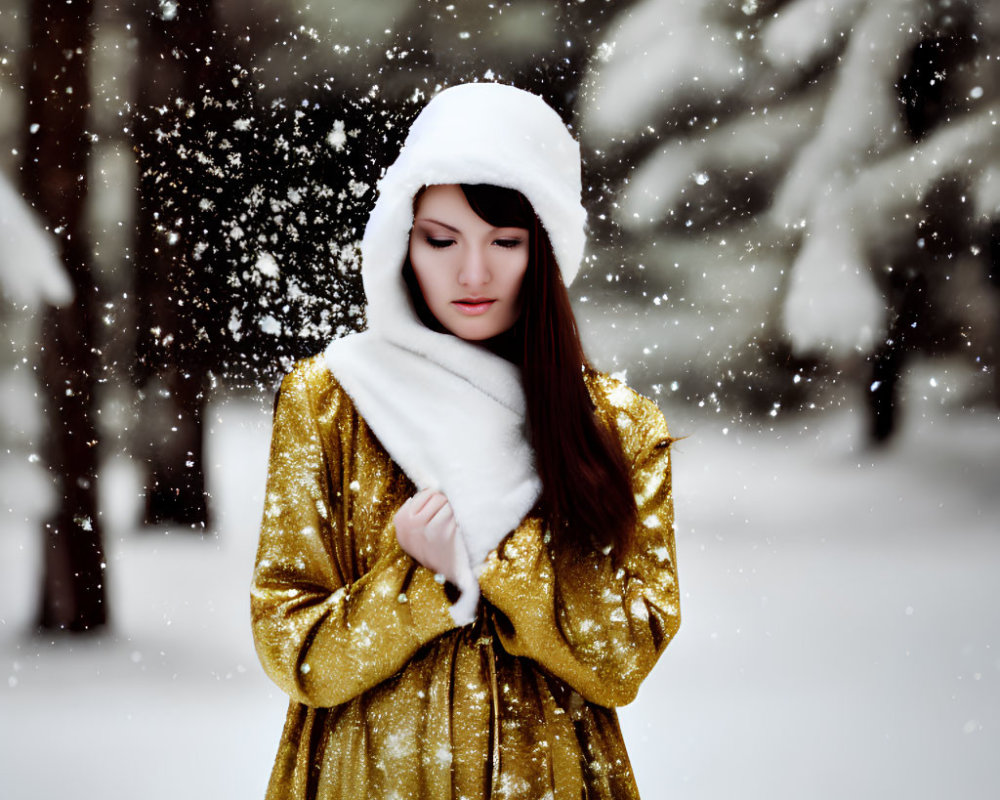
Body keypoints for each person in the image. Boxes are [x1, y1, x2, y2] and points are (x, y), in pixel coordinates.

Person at [251, 82, 680, 800]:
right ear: (402, 238)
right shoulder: (330, 401)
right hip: (365, 779)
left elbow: (622, 660)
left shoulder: (616, 426)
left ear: (544, 250)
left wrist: (493, 560)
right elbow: (292, 649)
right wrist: (421, 589)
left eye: (505, 242)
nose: (472, 274)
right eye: (441, 240)